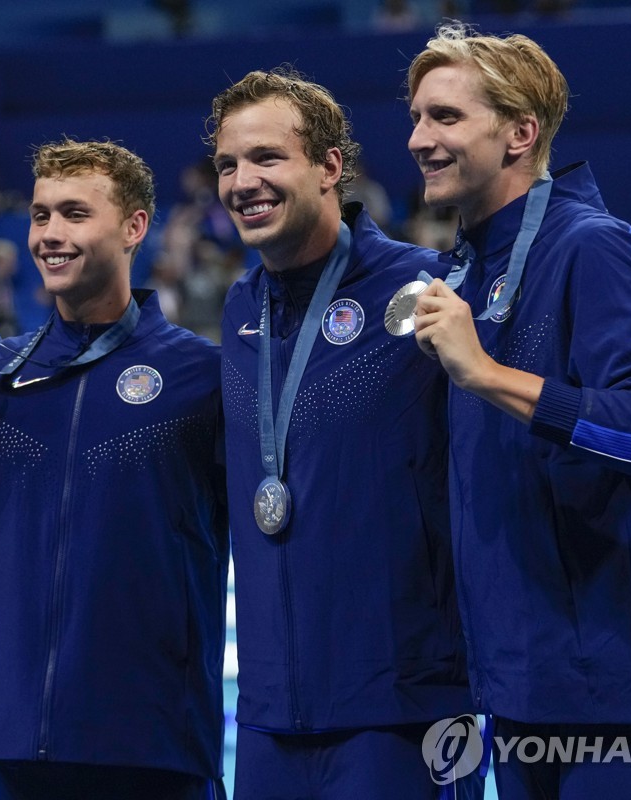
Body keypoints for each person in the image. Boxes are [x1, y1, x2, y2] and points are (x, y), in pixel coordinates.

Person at [407, 24, 631, 798]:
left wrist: (487, 374)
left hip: (621, 703)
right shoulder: (465, 267)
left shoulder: (593, 248)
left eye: (446, 117)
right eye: (416, 117)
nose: (419, 139)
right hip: (516, 697)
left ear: (521, 133)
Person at [0, 138, 228, 800]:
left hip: (155, 746)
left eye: (75, 214)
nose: (49, 234)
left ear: (134, 227)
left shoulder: (201, 377)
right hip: (20, 746)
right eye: (42, 215)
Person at [207, 67, 479, 799]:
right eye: (228, 165)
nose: (242, 182)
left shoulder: (428, 290)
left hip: (404, 710)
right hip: (269, 718)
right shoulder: (240, 308)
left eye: (267, 158)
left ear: (330, 168)